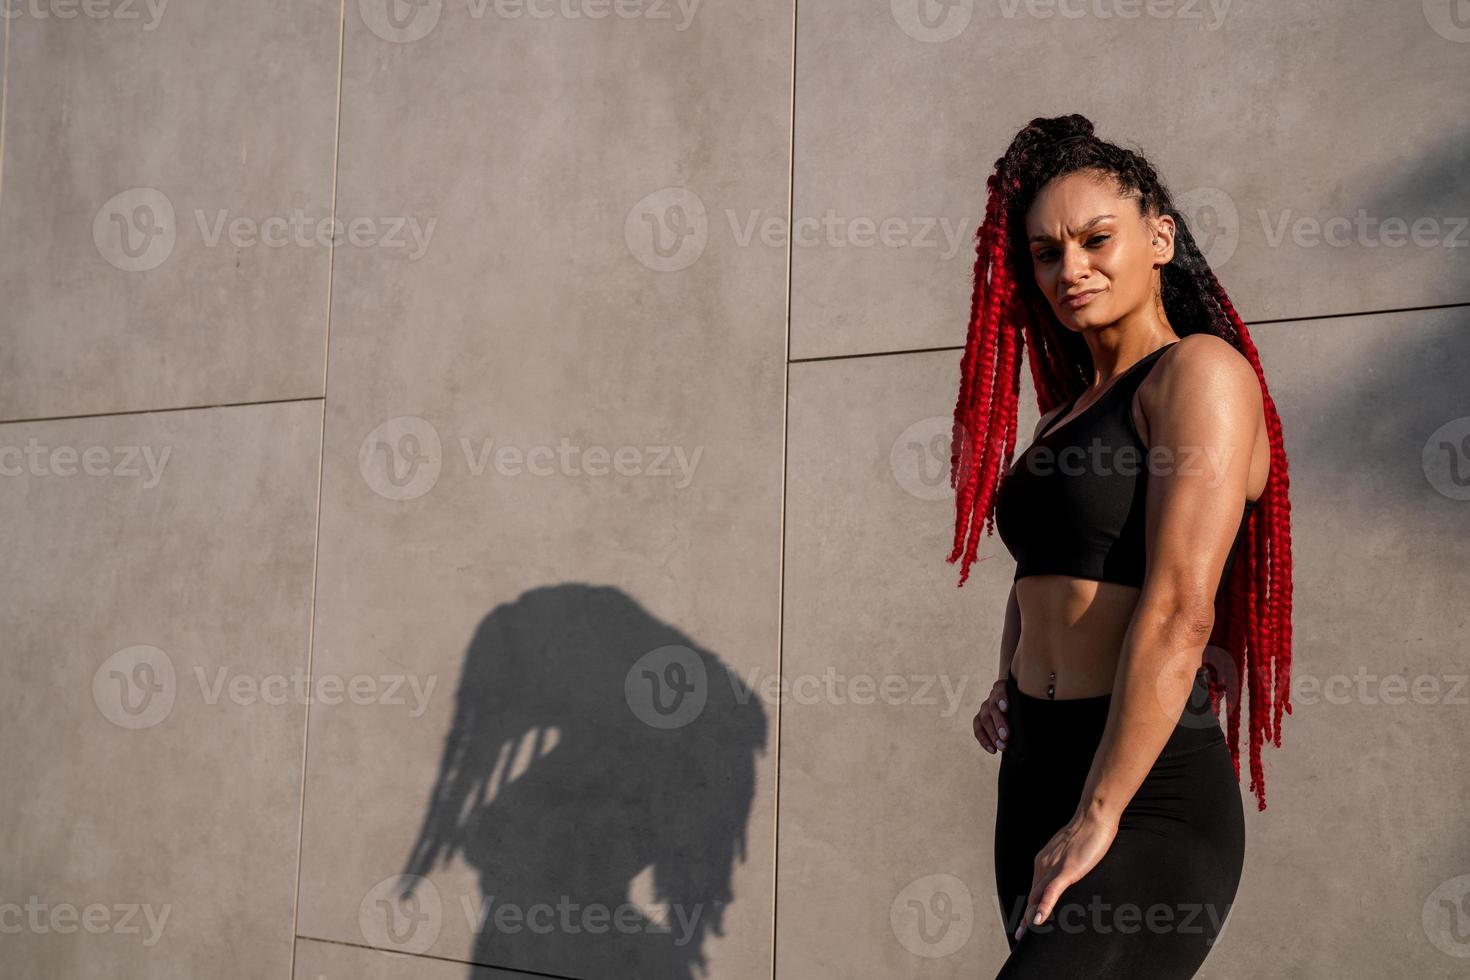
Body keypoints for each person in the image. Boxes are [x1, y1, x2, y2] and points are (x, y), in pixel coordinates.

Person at [947, 114, 1295, 977]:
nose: (1071, 270)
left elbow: (1180, 608)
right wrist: (1009, 675)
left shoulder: (1198, 374)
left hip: (1143, 792)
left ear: (1160, 238)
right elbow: (1043, 568)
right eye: (1044, 253)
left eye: (1096, 239)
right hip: (1033, 774)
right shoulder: (1063, 410)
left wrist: (1101, 811)